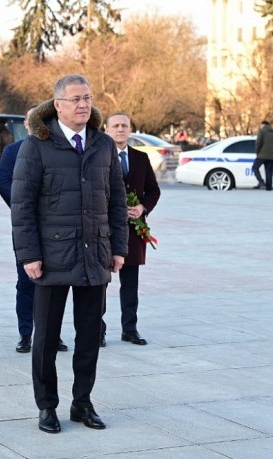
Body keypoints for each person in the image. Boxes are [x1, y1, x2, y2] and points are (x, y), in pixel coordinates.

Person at [11, 74, 128, 433]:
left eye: (87, 98)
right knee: (45, 339)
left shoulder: (103, 145)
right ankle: (47, 407)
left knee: (90, 335)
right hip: (50, 257)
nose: (83, 104)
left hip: (95, 255)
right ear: (57, 105)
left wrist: (119, 248)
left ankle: (82, 403)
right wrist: (29, 255)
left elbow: (117, 201)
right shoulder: (37, 146)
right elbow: (22, 205)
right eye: (75, 99)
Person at [0, 105, 68, 354]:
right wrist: (22, 205)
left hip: (55, 228)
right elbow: (4, 181)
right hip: (26, 226)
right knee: (26, 283)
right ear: (26, 125)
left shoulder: (58, 149)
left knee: (54, 284)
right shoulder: (13, 151)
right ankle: (25, 334)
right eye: (30, 121)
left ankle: (52, 334)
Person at [102, 113, 161, 347]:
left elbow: (153, 190)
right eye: (115, 126)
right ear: (106, 130)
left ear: (130, 130)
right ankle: (98, 331)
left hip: (133, 233)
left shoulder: (140, 158)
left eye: (124, 126)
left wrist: (142, 207)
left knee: (131, 284)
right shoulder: (99, 156)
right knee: (101, 284)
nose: (120, 129)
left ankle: (130, 329)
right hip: (106, 230)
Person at [253, 120, 273, 191]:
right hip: (272, 156)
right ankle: (269, 188)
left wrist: (257, 152)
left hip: (262, 155)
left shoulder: (262, 132)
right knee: (269, 172)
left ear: (263, 125)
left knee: (255, 167)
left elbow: (258, 143)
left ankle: (261, 181)